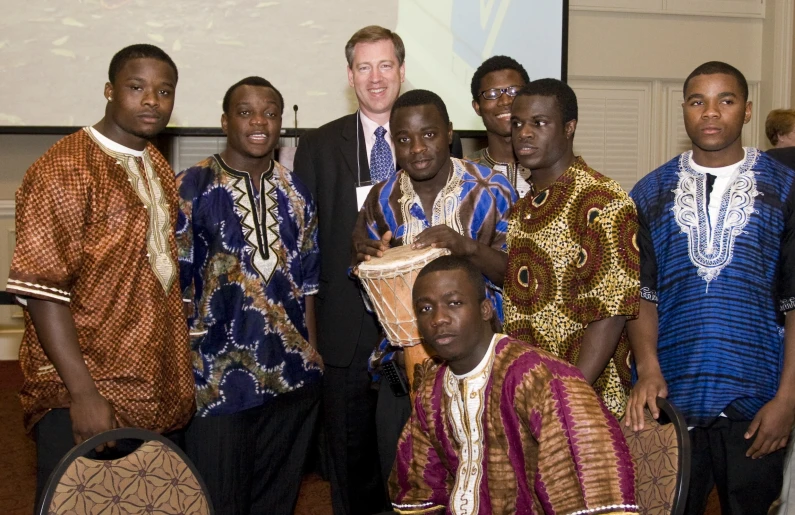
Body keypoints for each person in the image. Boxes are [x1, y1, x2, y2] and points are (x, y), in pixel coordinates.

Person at [6, 44, 195, 504]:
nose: (152, 100)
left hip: (154, 390)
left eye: (164, 91)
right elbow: (44, 292)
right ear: (110, 91)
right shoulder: (63, 168)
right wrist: (83, 394)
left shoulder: (156, 167)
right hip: (89, 392)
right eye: (137, 87)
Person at [627, 61, 795, 514]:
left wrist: (788, 399)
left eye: (726, 100)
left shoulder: (786, 187)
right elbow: (642, 295)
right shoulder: (649, 192)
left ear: (746, 110)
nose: (711, 112)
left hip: (758, 400)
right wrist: (647, 369)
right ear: (684, 110)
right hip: (671, 401)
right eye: (698, 101)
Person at [389, 255, 638, 515]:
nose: (438, 318)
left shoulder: (538, 379)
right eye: (425, 309)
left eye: (454, 303)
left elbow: (591, 485)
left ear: (485, 309)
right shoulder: (432, 392)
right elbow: (419, 487)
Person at [355, 88, 517, 486]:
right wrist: (369, 259)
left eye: (428, 134)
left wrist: (466, 247)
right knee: (410, 491)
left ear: (448, 132)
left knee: (488, 492)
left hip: (486, 375)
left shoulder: (492, 189)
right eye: (404, 139)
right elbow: (370, 290)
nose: (417, 149)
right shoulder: (380, 199)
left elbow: (519, 277)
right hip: (403, 376)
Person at [176, 77, 322, 515]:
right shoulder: (192, 186)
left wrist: (312, 355)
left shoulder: (297, 191)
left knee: (277, 500)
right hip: (216, 382)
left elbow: (309, 283)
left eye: (270, 112)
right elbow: (175, 286)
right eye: (245, 112)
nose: (259, 122)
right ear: (225, 121)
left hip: (292, 376)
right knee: (219, 501)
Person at [292, 25, 405, 514]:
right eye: (364, 67)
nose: (375, 78)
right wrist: (309, 330)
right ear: (349, 75)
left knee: (412, 457)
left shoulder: (432, 134)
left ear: (401, 71)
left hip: (414, 327)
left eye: (385, 65)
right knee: (348, 461)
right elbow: (303, 242)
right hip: (344, 328)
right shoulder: (318, 145)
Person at [502, 79, 639, 419]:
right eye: (517, 124)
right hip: (530, 400)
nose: (524, 133)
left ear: (569, 127)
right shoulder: (522, 210)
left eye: (539, 123)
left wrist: (567, 395)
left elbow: (611, 311)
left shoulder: (601, 200)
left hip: (585, 406)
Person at [466, 55, 532, 197]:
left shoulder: (552, 170)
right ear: (477, 107)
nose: (505, 101)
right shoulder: (463, 173)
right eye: (492, 93)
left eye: (514, 91)